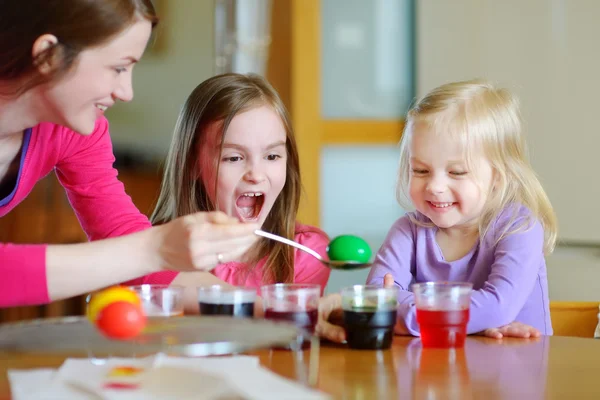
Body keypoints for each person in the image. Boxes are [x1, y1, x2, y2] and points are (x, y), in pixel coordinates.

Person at [0, 0, 257, 308]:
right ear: (48, 55)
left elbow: (123, 238)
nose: (126, 92)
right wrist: (152, 248)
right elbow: (140, 251)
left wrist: (271, 308)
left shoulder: (78, 130)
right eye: (119, 68)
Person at [318, 79, 557, 341]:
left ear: (498, 176)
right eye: (421, 170)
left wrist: (402, 311)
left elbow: (497, 307)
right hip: (433, 373)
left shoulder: (518, 228)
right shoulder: (407, 232)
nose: (435, 186)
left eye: (456, 172)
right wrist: (475, 320)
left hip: (510, 373)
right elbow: (378, 297)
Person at [127, 73, 331, 310]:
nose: (255, 174)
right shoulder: (161, 250)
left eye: (272, 156)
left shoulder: (305, 254)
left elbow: (296, 334)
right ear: (193, 164)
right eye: (234, 158)